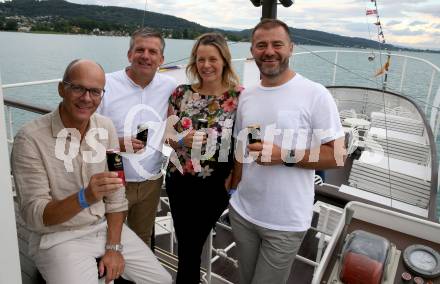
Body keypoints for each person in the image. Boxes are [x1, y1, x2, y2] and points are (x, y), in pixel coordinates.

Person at [11, 59, 172, 284]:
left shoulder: (106, 128)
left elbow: (116, 198)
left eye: (95, 91)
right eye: (78, 88)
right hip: (56, 238)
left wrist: (114, 248)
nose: (87, 98)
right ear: (61, 89)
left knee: (162, 280)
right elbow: (35, 216)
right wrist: (85, 197)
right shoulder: (29, 140)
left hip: (102, 229)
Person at [229, 19, 346, 284]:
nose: (269, 51)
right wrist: (233, 188)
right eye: (261, 45)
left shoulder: (315, 94)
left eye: (277, 44)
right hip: (243, 213)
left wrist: (285, 155)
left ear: (291, 48)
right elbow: (241, 145)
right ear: (252, 51)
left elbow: (338, 155)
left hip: (285, 223)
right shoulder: (248, 95)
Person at [166, 32, 243, 284]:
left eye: (212, 59)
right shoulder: (181, 93)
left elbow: (247, 141)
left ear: (224, 61)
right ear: (194, 62)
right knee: (188, 247)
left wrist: (235, 179)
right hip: (179, 180)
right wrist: (181, 139)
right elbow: (167, 135)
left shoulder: (239, 97)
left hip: (214, 185)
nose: (206, 65)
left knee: (191, 246)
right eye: (201, 59)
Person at [98, 27, 177, 247]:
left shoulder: (170, 86)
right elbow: (86, 133)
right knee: (107, 239)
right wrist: (118, 144)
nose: (145, 55)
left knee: (142, 240)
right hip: (113, 178)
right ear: (129, 54)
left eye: (152, 51)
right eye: (140, 49)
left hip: (151, 180)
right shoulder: (106, 84)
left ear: (161, 59)